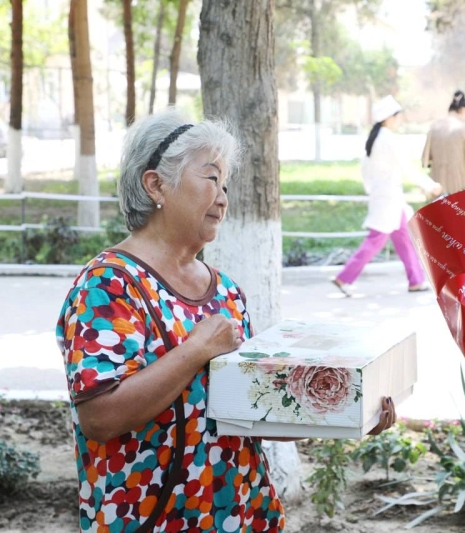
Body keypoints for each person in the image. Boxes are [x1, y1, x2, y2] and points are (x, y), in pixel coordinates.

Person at [57, 110, 396, 533]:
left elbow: (247, 412)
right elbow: (100, 418)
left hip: (240, 515)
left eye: (225, 184)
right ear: (155, 184)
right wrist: (196, 350)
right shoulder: (109, 284)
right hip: (151, 519)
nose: (222, 197)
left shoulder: (225, 292)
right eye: (211, 178)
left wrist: (350, 413)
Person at [332, 96, 440, 297]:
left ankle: (416, 281)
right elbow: (406, 168)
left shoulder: (375, 139)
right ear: (389, 117)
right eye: (398, 116)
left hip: (386, 199)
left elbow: (366, 169)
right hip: (387, 200)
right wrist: (430, 185)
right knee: (374, 242)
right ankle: (344, 277)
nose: (399, 120)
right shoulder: (388, 139)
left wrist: (371, 189)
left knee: (405, 240)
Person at [421, 90, 465, 194]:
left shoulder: (435, 126)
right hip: (459, 181)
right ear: (463, 109)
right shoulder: (463, 128)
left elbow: (426, 157)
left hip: (437, 179)